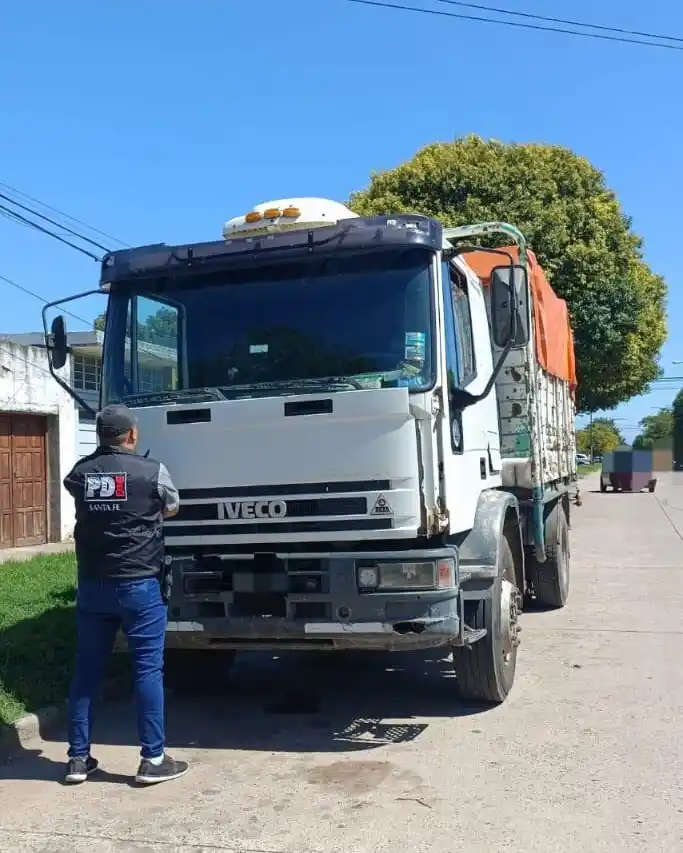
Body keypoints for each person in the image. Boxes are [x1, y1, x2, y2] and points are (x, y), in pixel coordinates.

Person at [62, 403, 188, 786]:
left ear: (100, 435)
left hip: (93, 585)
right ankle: (152, 759)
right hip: (139, 584)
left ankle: (78, 760)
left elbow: (82, 501)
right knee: (147, 670)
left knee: (86, 672)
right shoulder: (152, 471)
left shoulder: (80, 473)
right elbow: (172, 507)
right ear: (132, 435)